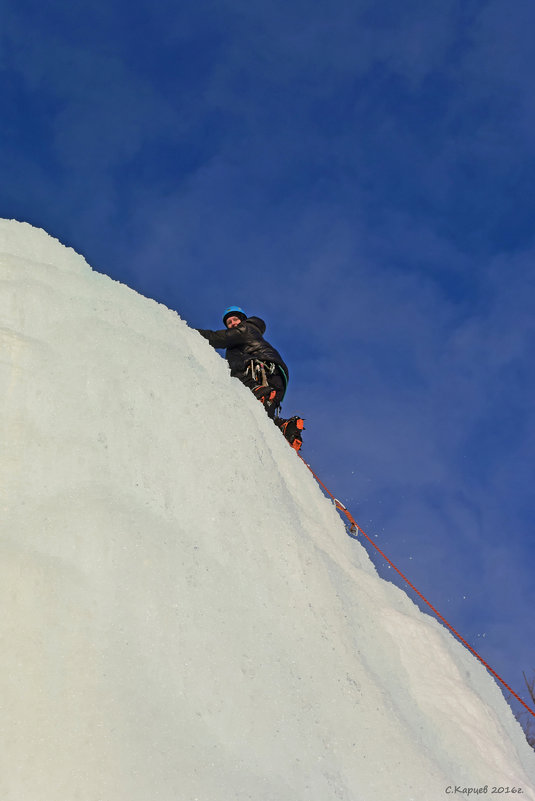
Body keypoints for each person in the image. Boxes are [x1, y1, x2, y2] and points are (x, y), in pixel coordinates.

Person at [197, 307, 304, 450]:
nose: (233, 323)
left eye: (235, 319)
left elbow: (219, 338)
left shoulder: (246, 329)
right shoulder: (249, 334)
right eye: (229, 322)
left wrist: (189, 332)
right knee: (264, 415)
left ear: (242, 319)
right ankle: (285, 428)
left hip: (261, 370)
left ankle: (257, 390)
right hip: (274, 378)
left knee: (233, 363)